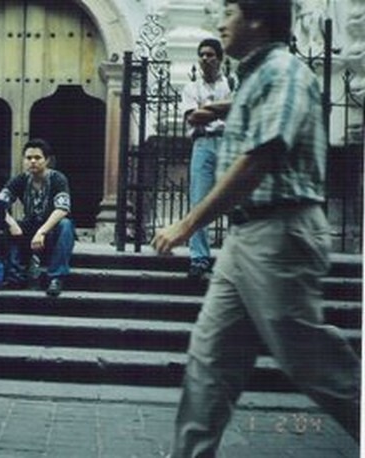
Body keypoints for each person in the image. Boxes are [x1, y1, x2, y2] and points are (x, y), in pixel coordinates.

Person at [152, 1, 361, 456]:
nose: (221, 22)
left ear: (258, 20)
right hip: (246, 237)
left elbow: (259, 159)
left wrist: (188, 225)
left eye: (230, 12)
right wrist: (218, 107)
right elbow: (254, 100)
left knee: (311, 361)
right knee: (209, 362)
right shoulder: (256, 77)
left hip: (281, 234)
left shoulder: (285, 70)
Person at [179, 38, 233, 279]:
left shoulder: (232, 83)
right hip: (202, 145)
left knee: (234, 200)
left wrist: (206, 111)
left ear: (220, 58)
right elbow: (192, 118)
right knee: (199, 202)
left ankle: (233, 258)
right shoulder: (191, 88)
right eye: (201, 54)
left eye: (210, 54)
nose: (205, 58)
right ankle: (199, 258)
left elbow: (239, 113)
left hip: (229, 145)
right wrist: (223, 111)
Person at [0, 138, 75, 297]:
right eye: (28, 158)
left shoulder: (58, 178)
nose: (32, 161)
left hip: (51, 232)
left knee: (65, 225)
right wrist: (11, 223)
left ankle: (56, 278)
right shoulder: (20, 179)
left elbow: (62, 209)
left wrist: (42, 232)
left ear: (47, 160)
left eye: (37, 158)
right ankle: (15, 275)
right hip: (29, 228)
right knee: (4, 224)